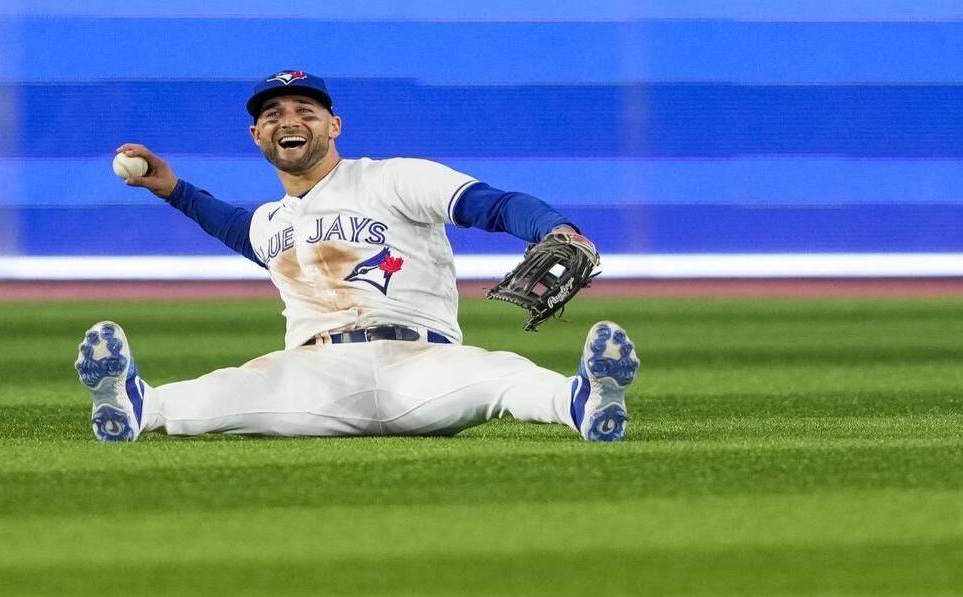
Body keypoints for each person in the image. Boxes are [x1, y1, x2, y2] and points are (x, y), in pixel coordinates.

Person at [76, 70, 639, 442]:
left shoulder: (393, 178)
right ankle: (130, 406)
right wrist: (173, 189)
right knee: (224, 391)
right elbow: (233, 227)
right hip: (313, 375)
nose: (289, 119)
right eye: (272, 114)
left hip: (425, 366)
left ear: (334, 126)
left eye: (306, 110)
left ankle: (585, 402)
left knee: (505, 377)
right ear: (256, 135)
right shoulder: (272, 222)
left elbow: (495, 205)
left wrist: (557, 228)